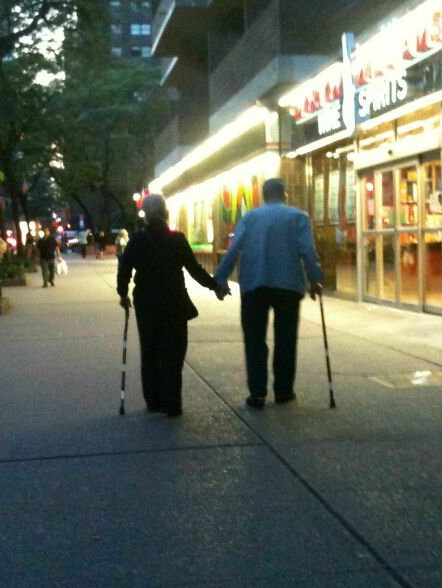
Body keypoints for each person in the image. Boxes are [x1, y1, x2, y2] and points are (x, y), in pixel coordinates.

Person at [214, 178, 324, 409]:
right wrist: (315, 280)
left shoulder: (250, 218)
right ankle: (283, 391)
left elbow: (234, 248)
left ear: (264, 196)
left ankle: (257, 393)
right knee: (286, 340)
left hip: (254, 285)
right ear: (285, 195)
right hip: (288, 287)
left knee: (254, 340)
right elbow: (308, 251)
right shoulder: (298, 217)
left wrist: (220, 279)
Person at [117, 194, 227, 417]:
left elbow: (124, 269)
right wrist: (215, 286)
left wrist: (123, 294)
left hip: (147, 302)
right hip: (173, 301)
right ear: (165, 213)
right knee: (174, 352)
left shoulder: (137, 240)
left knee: (150, 350)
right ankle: (172, 401)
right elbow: (194, 269)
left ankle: (154, 400)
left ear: (146, 215)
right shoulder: (177, 239)